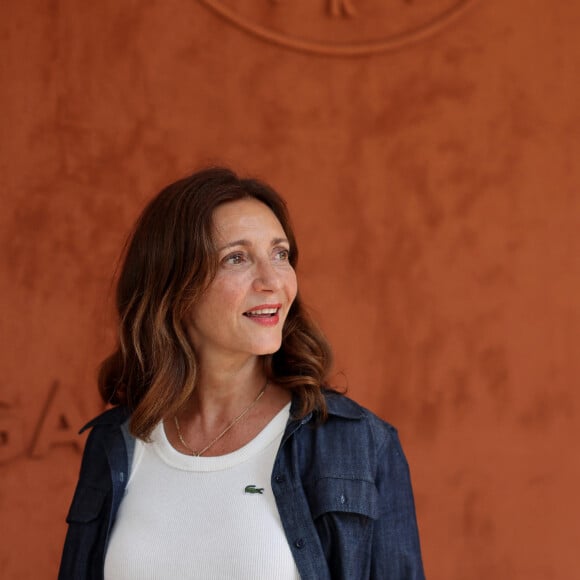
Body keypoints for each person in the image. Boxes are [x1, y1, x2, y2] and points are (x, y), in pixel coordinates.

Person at [59, 167, 425, 580]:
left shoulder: (358, 444)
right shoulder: (116, 443)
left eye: (280, 254)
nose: (272, 281)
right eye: (237, 258)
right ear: (173, 285)